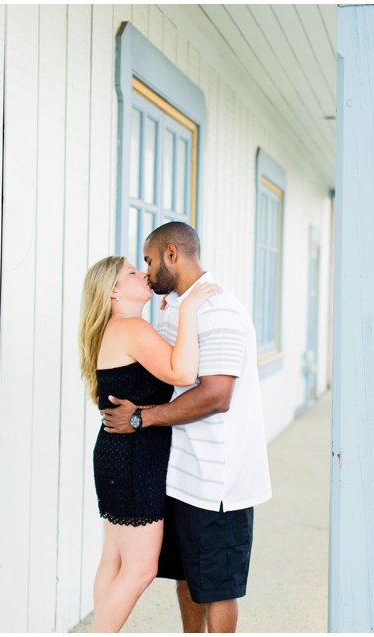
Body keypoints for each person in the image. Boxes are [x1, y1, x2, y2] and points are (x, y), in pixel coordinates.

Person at [100, 221, 272, 633]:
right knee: (187, 580)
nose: (145, 269)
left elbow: (216, 395)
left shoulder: (219, 309)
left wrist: (141, 417)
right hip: (179, 476)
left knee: (216, 588)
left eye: (148, 259)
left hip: (218, 484)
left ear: (171, 255)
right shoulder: (172, 307)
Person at [79, 255, 220, 632]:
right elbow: (184, 371)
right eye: (131, 271)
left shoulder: (117, 328)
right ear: (113, 291)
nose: (143, 273)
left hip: (117, 453)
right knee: (140, 569)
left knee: (114, 559)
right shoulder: (131, 329)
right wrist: (188, 307)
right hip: (133, 458)